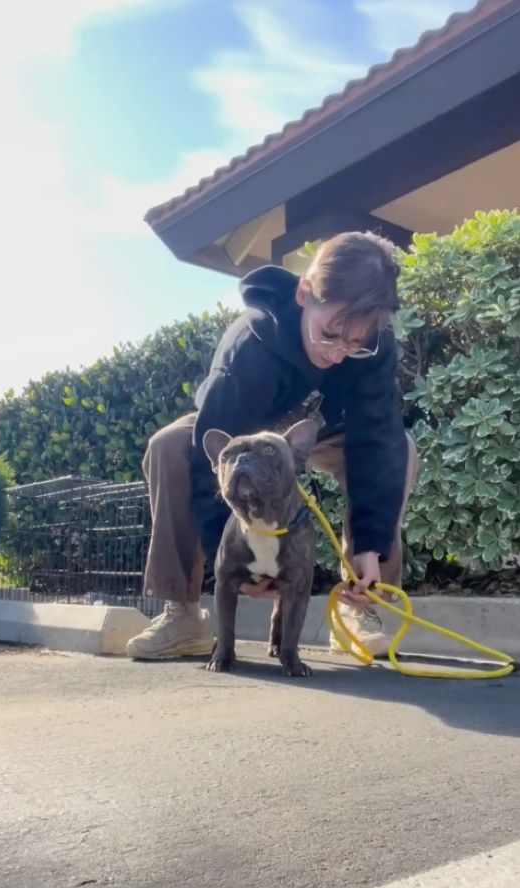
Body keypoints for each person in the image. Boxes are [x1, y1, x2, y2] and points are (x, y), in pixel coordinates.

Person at [126, 231, 418, 660]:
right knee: (169, 445)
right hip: (248, 434)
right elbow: (215, 449)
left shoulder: (374, 350)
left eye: (355, 344)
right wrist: (227, 555)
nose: (339, 353)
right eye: (331, 333)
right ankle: (183, 613)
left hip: (324, 433)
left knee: (401, 450)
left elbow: (377, 438)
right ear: (305, 294)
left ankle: (359, 605)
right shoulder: (249, 345)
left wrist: (372, 545)